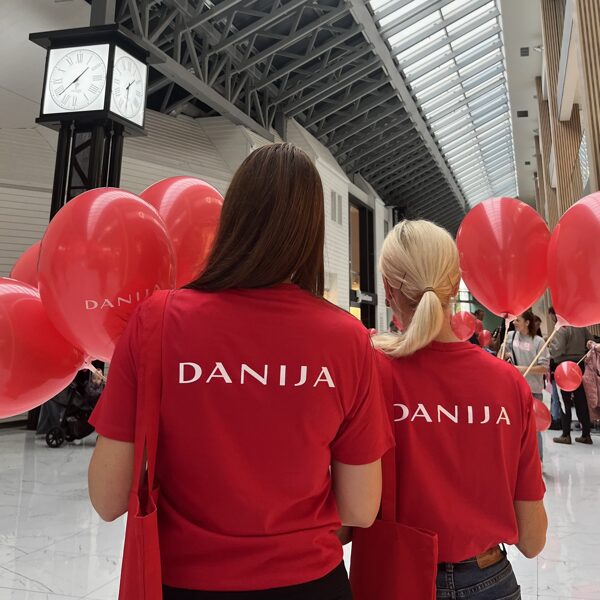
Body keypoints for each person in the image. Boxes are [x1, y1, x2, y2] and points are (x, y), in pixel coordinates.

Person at [88, 143, 394, 599]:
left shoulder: (157, 320)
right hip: (309, 582)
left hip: (184, 582)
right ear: (311, 233)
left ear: (232, 217)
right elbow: (361, 508)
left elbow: (108, 496)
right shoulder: (346, 339)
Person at [373, 220, 547, 599]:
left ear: (387, 290)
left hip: (397, 578)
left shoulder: (370, 373)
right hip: (491, 581)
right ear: (456, 285)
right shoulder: (507, 382)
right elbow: (533, 540)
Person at [506, 310, 549, 459]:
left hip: (533, 391)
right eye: (514, 320)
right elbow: (502, 356)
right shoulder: (510, 337)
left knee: (534, 429)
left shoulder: (538, 342)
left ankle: (538, 461)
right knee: (515, 428)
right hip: (514, 390)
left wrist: (521, 369)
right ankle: (518, 461)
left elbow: (544, 368)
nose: (514, 322)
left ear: (527, 322)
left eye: (518, 320)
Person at [548, 311, 594, 445]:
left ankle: (566, 434)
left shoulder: (562, 328)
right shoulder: (581, 327)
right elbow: (590, 341)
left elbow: (558, 349)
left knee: (565, 402)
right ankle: (586, 434)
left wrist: (550, 349)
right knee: (581, 401)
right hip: (579, 366)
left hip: (564, 367)